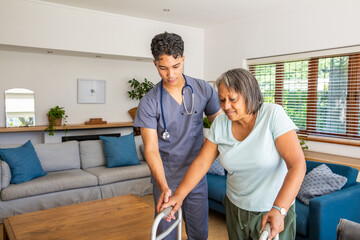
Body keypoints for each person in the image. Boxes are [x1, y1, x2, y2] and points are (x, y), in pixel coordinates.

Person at [161, 68, 306, 240]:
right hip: (235, 209)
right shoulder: (221, 124)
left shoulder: (272, 115)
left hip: (272, 211)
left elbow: (297, 166)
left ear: (249, 94)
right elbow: (201, 164)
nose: (225, 106)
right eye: (222, 100)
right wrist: (179, 195)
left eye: (232, 99)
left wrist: (279, 209)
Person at [134, 32, 222, 240]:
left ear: (183, 59)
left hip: (196, 176)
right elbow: (151, 149)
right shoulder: (150, 102)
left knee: (199, 234)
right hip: (167, 178)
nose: (170, 74)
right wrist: (164, 186)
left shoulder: (202, 89)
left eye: (176, 66)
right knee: (166, 234)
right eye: (163, 68)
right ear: (155, 64)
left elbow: (221, 127)